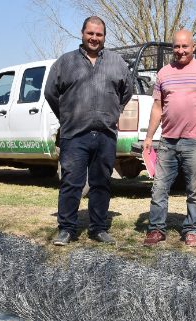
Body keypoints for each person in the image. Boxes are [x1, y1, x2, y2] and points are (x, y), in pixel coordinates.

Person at [45, 16, 133, 246]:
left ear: (104, 36)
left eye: (99, 34)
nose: (94, 38)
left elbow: (127, 91)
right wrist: (66, 117)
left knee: (101, 183)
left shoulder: (117, 62)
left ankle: (98, 228)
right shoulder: (65, 62)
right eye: (90, 33)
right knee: (71, 183)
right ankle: (66, 228)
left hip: (105, 135)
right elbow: (50, 93)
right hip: (74, 135)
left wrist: (114, 111)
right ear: (82, 34)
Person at [142, 29, 196, 247]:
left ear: (193, 47)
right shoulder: (163, 73)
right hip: (167, 140)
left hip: (195, 141)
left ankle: (190, 230)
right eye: (176, 46)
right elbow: (157, 107)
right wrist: (149, 136)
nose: (180, 50)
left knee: (194, 189)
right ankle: (156, 229)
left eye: (185, 46)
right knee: (159, 187)